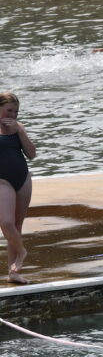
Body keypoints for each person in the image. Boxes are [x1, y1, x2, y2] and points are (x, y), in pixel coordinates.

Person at [0, 92, 36, 285]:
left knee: (17, 224)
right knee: (6, 223)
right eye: (9, 110)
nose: (13, 115)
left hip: (21, 178)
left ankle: (13, 273)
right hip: (1, 181)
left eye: (16, 111)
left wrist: (20, 132)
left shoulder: (18, 128)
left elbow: (31, 154)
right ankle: (22, 251)